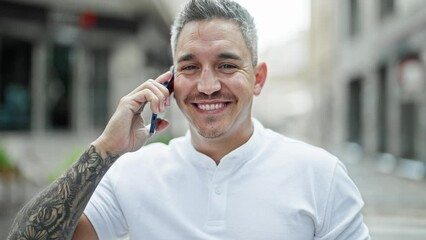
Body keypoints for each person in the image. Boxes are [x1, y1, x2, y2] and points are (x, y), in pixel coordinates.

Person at [8, 0, 371, 239]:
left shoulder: (320, 175)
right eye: (190, 67)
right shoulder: (133, 172)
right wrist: (105, 149)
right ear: (169, 81)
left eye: (226, 65)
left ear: (258, 78)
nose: (208, 85)